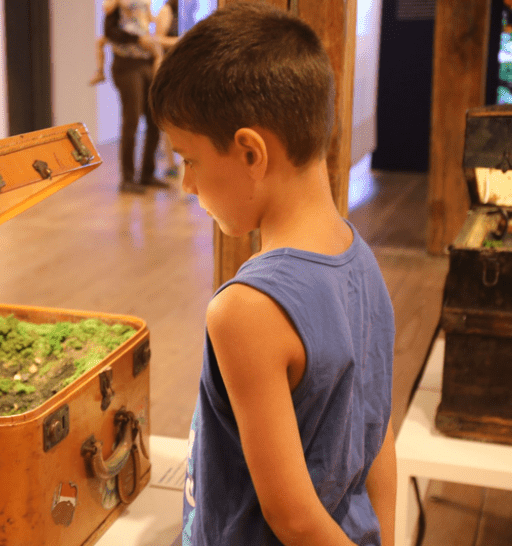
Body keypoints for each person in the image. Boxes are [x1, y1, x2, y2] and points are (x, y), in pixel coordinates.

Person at [149, 4, 396, 546]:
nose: (187, 185)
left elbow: (294, 519)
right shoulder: (363, 262)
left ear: (249, 152)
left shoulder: (247, 308)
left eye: (189, 159)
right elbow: (380, 440)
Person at [103, 0, 168, 193]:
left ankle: (148, 173)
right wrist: (137, 40)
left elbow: (149, 24)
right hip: (127, 64)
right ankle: (128, 179)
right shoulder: (114, 4)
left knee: (155, 119)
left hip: (146, 62)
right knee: (131, 121)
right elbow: (109, 32)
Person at [153, 0, 181, 179]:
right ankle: (172, 164)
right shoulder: (166, 10)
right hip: (168, 69)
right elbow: (158, 39)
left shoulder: (187, 11)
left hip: (182, 70)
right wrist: (181, 40)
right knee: (167, 119)